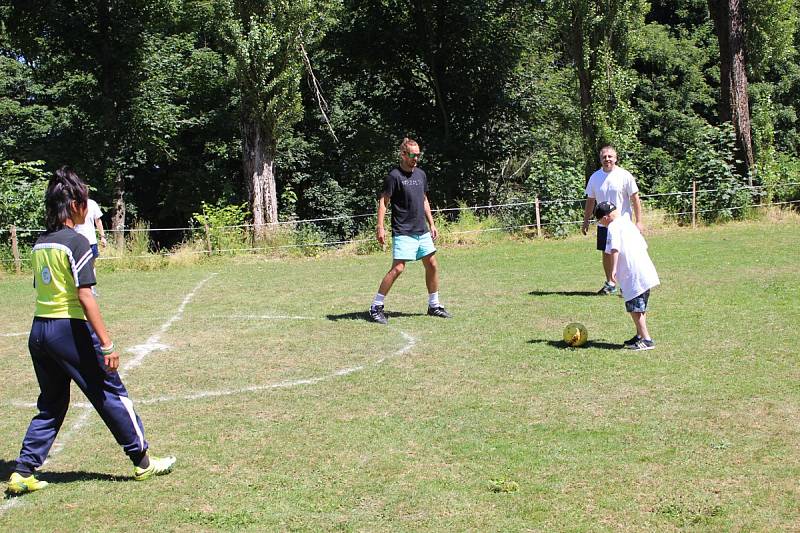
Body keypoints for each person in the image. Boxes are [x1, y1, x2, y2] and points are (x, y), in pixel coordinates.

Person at [6, 167, 175, 495]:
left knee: (52, 402)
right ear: (74, 206)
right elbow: (85, 296)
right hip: (68, 330)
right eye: (85, 201)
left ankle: (22, 471)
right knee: (110, 391)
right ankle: (143, 462)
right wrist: (107, 344)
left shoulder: (41, 243)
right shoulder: (78, 242)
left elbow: (39, 286)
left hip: (39, 332)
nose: (87, 207)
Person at [368, 138, 451, 324]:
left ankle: (434, 305)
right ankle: (376, 307)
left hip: (421, 230)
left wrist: (432, 224)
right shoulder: (394, 176)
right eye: (413, 155)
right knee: (398, 268)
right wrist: (380, 226)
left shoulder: (421, 174)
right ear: (403, 154)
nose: (416, 159)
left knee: (432, 265)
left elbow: (424, 199)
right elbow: (384, 201)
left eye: (418, 155)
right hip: (403, 230)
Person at [594, 201, 660, 351]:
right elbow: (644, 245)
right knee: (640, 306)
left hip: (633, 272)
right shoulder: (627, 222)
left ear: (605, 218)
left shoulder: (612, 227)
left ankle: (647, 339)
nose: (603, 225)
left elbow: (614, 249)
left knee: (634, 307)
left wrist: (613, 270)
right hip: (645, 268)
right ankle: (639, 336)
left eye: (601, 222)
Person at [581, 145, 644, 295]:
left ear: (615, 158)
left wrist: (639, 221)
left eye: (610, 156)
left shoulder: (624, 175)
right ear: (600, 159)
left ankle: (626, 285)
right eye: (604, 157)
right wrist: (586, 220)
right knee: (606, 252)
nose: (607, 159)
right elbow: (590, 200)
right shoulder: (595, 177)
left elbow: (635, 198)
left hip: (622, 224)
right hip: (604, 224)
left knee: (623, 253)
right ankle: (610, 283)